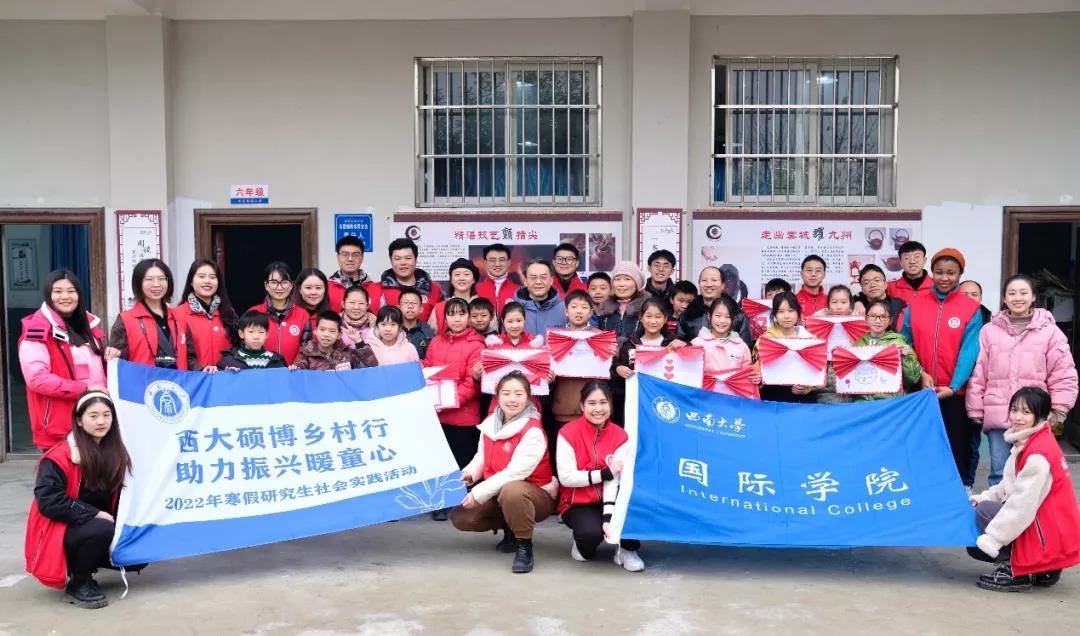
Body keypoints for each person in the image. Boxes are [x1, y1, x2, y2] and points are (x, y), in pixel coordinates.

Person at [25, 391, 135, 609]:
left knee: (137, 549)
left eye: (106, 415)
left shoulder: (116, 451)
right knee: (101, 528)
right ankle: (79, 582)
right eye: (93, 416)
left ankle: (88, 564)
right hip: (60, 530)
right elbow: (49, 501)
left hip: (95, 527)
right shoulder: (59, 456)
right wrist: (94, 514)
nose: (101, 421)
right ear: (79, 420)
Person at [967, 274, 1078, 487]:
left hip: (1034, 415)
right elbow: (978, 372)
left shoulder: (1050, 332)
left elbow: (1063, 373)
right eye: (1012, 293)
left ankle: (1030, 510)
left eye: (1023, 292)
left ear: (1033, 296)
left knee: (1033, 475)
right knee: (999, 474)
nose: (1018, 298)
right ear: (1004, 299)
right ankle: (1000, 509)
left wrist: (1059, 408)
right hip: (999, 412)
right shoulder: (989, 331)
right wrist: (975, 407)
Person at [967, 387, 1080, 592]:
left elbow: (1021, 506)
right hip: (1054, 533)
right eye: (1014, 410)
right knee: (982, 506)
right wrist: (983, 497)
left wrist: (993, 539)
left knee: (983, 515)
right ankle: (1044, 568)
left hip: (1046, 534)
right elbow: (1009, 484)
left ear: (1041, 416)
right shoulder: (1032, 441)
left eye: (1026, 412)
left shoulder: (1037, 454)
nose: (1017, 417)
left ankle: (1019, 570)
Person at [451, 372, 558, 574]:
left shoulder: (533, 431)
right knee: (462, 517)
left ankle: (524, 545)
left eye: (518, 394)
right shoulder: (490, 423)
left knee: (512, 491)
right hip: (500, 491)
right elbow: (481, 456)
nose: (512, 399)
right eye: (506, 393)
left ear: (528, 397)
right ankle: (511, 527)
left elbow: (514, 473)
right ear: (497, 396)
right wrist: (469, 473)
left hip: (535, 495)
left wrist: (478, 493)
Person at [900, 248, 983, 494]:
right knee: (922, 442)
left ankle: (957, 491)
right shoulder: (915, 305)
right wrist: (920, 374)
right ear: (932, 273)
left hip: (955, 393)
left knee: (957, 443)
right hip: (921, 391)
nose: (944, 278)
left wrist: (954, 386)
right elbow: (905, 344)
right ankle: (924, 490)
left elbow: (969, 351)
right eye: (939, 272)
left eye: (951, 273)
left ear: (960, 274)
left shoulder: (970, 308)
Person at [556, 380, 644, 572]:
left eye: (603, 402)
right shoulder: (567, 433)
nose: (598, 409)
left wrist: (608, 517)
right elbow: (567, 477)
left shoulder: (620, 435)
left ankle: (627, 550)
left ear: (610, 404)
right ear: (582, 406)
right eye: (592, 403)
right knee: (589, 536)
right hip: (578, 502)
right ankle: (581, 546)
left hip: (609, 496)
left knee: (633, 506)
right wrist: (603, 473)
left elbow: (614, 480)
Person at [18, 270, 107, 450]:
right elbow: (37, 379)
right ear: (48, 294)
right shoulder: (37, 330)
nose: (65, 297)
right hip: (59, 426)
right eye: (58, 291)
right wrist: (84, 389)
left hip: (95, 420)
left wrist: (109, 355)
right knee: (63, 468)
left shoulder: (89, 325)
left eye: (71, 291)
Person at [424, 297, 486, 520]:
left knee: (462, 462)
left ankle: (461, 504)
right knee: (440, 460)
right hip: (438, 414)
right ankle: (440, 502)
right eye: (451, 314)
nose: (456, 319)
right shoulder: (435, 342)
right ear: (445, 318)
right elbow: (428, 371)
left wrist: (448, 401)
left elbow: (472, 384)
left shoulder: (477, 345)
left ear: (468, 317)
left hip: (464, 416)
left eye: (461, 314)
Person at [105, 258, 193, 370]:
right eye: (149, 279)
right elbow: (118, 360)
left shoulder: (180, 317)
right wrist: (113, 353)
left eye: (161, 279)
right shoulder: (126, 319)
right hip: (142, 380)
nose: (156, 284)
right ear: (138, 283)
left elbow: (190, 356)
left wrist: (203, 369)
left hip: (178, 380)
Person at [612, 297, 674, 425]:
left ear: (665, 319)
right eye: (648, 316)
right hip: (635, 404)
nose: (653, 321)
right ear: (641, 317)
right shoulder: (630, 344)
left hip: (665, 403)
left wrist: (685, 344)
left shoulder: (672, 344)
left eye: (658, 317)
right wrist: (618, 368)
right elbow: (617, 372)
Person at [850, 300, 926, 400]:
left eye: (883, 317)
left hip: (891, 402)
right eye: (873, 316)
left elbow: (912, 380)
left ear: (890, 320)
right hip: (863, 402)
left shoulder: (899, 343)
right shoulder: (858, 344)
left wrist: (907, 357)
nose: (878, 321)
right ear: (866, 318)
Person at [173, 258, 238, 372]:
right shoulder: (178, 314)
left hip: (224, 378)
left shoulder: (228, 313)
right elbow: (179, 354)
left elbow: (238, 347)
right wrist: (201, 369)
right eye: (201, 276)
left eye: (212, 277)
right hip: (195, 378)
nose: (207, 281)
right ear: (191, 282)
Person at [754, 291, 816, 403]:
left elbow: (815, 373)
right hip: (772, 395)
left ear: (798, 312)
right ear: (774, 314)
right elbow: (756, 372)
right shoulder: (765, 340)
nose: (786, 316)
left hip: (801, 397)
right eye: (781, 311)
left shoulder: (809, 339)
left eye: (791, 310)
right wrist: (758, 379)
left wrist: (806, 387)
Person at [248, 261, 309, 366]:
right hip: (261, 372)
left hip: (293, 373)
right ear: (266, 285)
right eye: (274, 282)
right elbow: (245, 346)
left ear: (291, 285)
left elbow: (307, 349)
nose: (279, 287)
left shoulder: (303, 315)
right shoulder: (254, 313)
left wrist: (297, 366)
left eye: (284, 282)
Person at [677, 266, 751, 344]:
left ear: (723, 285)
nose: (708, 284)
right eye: (704, 280)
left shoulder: (737, 314)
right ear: (699, 284)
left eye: (714, 280)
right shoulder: (687, 314)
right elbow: (679, 343)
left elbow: (745, 346)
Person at [812, 285, 858, 404]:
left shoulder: (860, 323)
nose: (839, 307)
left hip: (853, 377)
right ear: (828, 305)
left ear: (851, 305)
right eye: (834, 302)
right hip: (826, 383)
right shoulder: (817, 323)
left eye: (844, 302)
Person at [290, 311, 378, 371]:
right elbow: (298, 373)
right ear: (315, 331)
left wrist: (358, 341)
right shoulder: (306, 353)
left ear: (339, 335)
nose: (326, 334)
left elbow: (372, 366)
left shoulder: (347, 354)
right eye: (322, 330)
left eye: (332, 331)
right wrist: (295, 369)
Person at [380, 238, 442, 321]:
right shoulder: (376, 290)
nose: (403, 263)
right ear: (391, 261)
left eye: (408, 258)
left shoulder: (434, 290)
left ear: (416, 260)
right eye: (397, 259)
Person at [691, 295, 753, 377]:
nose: (722, 321)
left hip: (733, 385)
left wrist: (755, 377)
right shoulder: (697, 344)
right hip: (706, 385)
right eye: (718, 316)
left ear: (733, 319)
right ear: (709, 316)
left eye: (727, 317)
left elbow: (747, 373)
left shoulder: (741, 346)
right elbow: (691, 373)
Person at [596, 261, 650, 345]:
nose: (621, 284)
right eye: (617, 279)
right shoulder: (603, 310)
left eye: (627, 279)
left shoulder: (647, 308)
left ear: (637, 284)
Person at [327, 235, 381, 314]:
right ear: (338, 257)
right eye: (345, 254)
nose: (350, 259)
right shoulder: (326, 289)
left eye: (355, 255)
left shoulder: (377, 290)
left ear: (362, 258)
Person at [217, 310, 288, 370]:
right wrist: (227, 373)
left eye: (261, 332)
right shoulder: (229, 360)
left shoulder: (276, 361)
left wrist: (292, 370)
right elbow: (218, 378)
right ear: (241, 334)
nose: (256, 337)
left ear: (266, 335)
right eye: (251, 332)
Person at [514, 259, 566, 337]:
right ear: (525, 281)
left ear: (551, 280)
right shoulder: (512, 310)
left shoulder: (565, 310)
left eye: (543, 277)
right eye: (533, 277)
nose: (538, 282)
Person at [430, 258, 479, 334]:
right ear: (451, 280)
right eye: (457, 274)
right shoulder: (439, 308)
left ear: (473, 280)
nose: (462, 278)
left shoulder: (483, 305)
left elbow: (492, 335)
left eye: (466, 274)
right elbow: (431, 336)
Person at [852, 264, 907, 331]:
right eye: (866, 282)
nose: (872, 285)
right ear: (862, 289)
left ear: (885, 284)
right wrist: (856, 302)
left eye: (877, 280)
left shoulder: (899, 305)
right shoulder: (855, 304)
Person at [476, 243, 520, 319]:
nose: (497, 264)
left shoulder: (519, 290)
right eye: (492, 260)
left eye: (502, 260)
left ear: (509, 262)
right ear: (485, 263)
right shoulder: (475, 289)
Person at [399, 286, 435, 359]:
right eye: (406, 302)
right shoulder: (393, 329)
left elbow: (431, 358)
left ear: (421, 309)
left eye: (414, 303)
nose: (410, 306)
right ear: (399, 308)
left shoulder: (428, 333)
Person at [293, 268, 332, 332]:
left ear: (325, 289)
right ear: (300, 289)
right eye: (308, 288)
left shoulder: (331, 317)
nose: (313, 292)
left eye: (318, 288)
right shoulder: (288, 314)